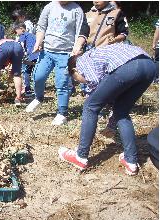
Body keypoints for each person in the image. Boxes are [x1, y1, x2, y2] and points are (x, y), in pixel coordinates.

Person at [58, 43, 156, 176]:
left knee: (89, 107)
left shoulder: (83, 60)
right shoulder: (99, 54)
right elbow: (111, 95)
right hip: (149, 66)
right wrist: (111, 125)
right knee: (122, 110)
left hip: (129, 66)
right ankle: (131, 161)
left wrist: (93, 99)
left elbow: (96, 89)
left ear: (74, 70)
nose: (81, 82)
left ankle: (80, 156)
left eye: (76, 79)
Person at [25, 1, 89, 126]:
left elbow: (81, 32)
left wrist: (76, 49)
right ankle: (38, 98)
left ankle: (62, 113)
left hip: (65, 54)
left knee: (62, 83)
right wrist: (38, 42)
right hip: (47, 52)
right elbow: (41, 27)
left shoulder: (77, 10)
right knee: (38, 77)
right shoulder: (49, 7)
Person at [0, 39, 24, 106]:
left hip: (5, 47)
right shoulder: (9, 42)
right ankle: (18, 98)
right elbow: (11, 69)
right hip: (18, 47)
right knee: (17, 74)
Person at [13, 22, 39, 96]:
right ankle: (38, 88)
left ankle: (27, 90)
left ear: (21, 29)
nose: (16, 33)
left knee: (26, 72)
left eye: (16, 31)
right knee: (35, 72)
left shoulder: (23, 35)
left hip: (29, 56)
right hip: (37, 55)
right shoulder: (33, 35)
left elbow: (21, 46)